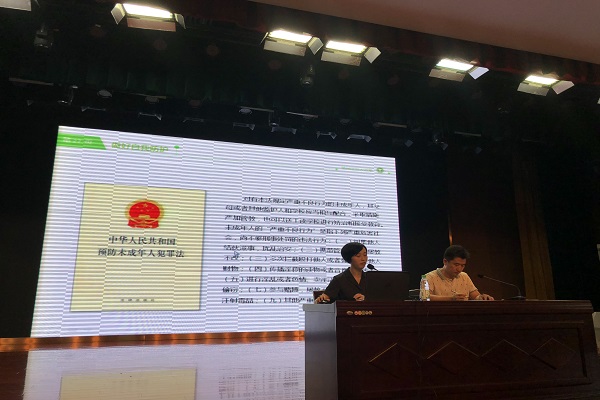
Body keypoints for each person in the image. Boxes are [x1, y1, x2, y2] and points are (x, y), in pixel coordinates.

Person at [425, 245, 494, 301]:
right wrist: (450, 299)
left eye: (462, 265)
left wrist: (482, 297)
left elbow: (476, 296)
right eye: (456, 265)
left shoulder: (464, 276)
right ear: (445, 261)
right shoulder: (430, 277)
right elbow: (424, 297)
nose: (459, 269)